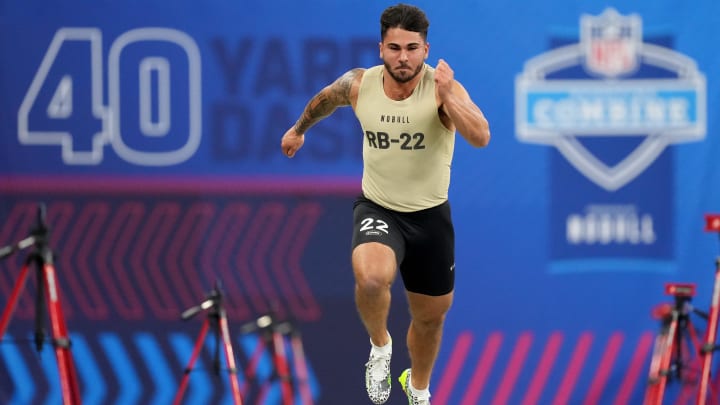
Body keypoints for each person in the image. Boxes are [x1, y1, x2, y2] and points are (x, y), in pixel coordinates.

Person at [280, 3, 490, 404]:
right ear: (381, 49)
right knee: (373, 278)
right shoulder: (360, 84)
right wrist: (297, 130)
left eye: (412, 48)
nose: (404, 57)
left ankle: (419, 387)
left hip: (430, 218)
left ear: (426, 50)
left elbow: (480, 136)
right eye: (395, 48)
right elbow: (325, 99)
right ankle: (380, 347)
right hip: (379, 208)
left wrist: (449, 96)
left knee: (429, 319)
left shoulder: (442, 89)